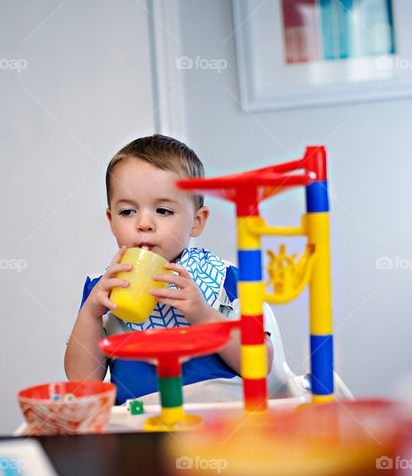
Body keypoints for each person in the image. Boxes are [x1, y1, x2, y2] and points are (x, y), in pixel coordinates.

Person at [64, 134, 273, 404]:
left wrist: (205, 316)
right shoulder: (104, 289)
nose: (144, 224)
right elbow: (82, 383)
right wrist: (92, 313)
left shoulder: (224, 279)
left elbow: (261, 363)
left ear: (197, 221)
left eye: (163, 210)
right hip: (140, 424)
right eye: (127, 212)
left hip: (221, 417)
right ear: (112, 221)